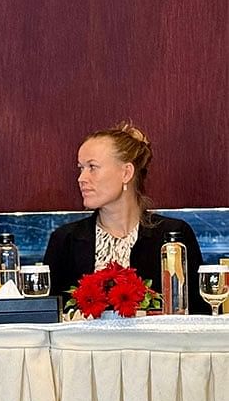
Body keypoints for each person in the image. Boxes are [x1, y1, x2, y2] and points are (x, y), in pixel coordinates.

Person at [43, 122, 208, 313]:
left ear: (126, 173)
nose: (81, 178)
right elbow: (49, 317)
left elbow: (197, 314)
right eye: (81, 168)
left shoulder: (173, 236)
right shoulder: (65, 240)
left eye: (92, 167)